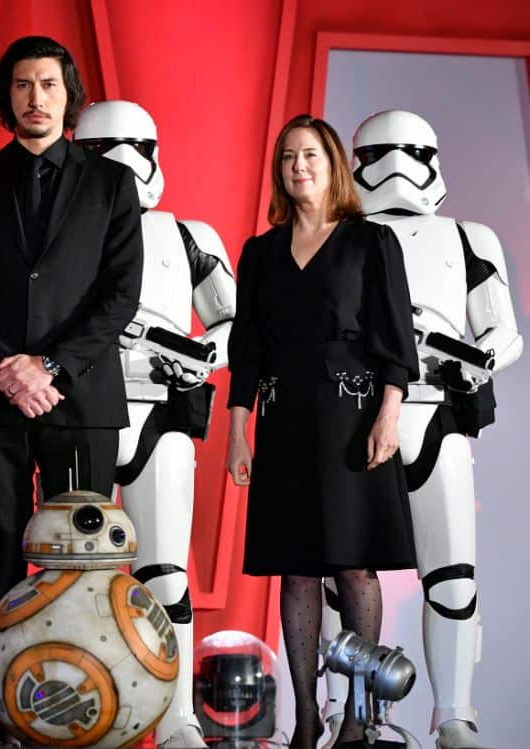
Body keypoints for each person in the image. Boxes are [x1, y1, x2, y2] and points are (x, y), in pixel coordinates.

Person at [0, 35, 143, 743]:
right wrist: (7, 366)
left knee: (81, 565)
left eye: (48, 84)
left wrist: (48, 367)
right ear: (6, 98)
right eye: (22, 84)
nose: (35, 97)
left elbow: (119, 296)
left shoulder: (112, 184)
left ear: (69, 95)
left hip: (79, 402)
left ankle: (82, 715)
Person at [319, 110, 523, 749]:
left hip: (437, 409)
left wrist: (478, 358)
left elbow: (503, 329)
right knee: (339, 574)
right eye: (381, 153)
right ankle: (340, 712)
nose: (396, 165)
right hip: (355, 409)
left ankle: (453, 713)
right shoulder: (334, 236)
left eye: (410, 151)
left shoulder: (468, 238)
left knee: (453, 575)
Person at [225, 114, 419, 749]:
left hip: (354, 419)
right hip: (283, 423)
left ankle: (361, 720)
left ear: (334, 164)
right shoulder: (259, 252)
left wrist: (389, 414)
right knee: (296, 571)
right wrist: (236, 429)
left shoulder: (370, 242)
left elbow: (396, 340)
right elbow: (246, 348)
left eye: (309, 154)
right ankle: (307, 718)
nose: (298, 166)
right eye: (287, 158)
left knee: (355, 568)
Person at [74, 99, 237, 749]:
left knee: (165, 572)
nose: (119, 166)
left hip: (160, 408)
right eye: (100, 151)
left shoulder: (188, 237)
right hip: (78, 410)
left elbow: (235, 323)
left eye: (130, 148)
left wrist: (199, 359)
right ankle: (83, 710)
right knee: (75, 573)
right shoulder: (56, 238)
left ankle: (175, 719)